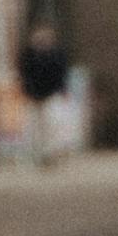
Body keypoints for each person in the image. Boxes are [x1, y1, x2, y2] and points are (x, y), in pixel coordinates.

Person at [19, 19, 71, 165]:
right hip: (33, 94)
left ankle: (49, 153)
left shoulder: (56, 54)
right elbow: (24, 73)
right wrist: (27, 91)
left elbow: (61, 73)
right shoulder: (29, 54)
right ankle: (36, 153)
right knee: (34, 127)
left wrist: (62, 90)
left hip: (50, 93)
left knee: (51, 124)